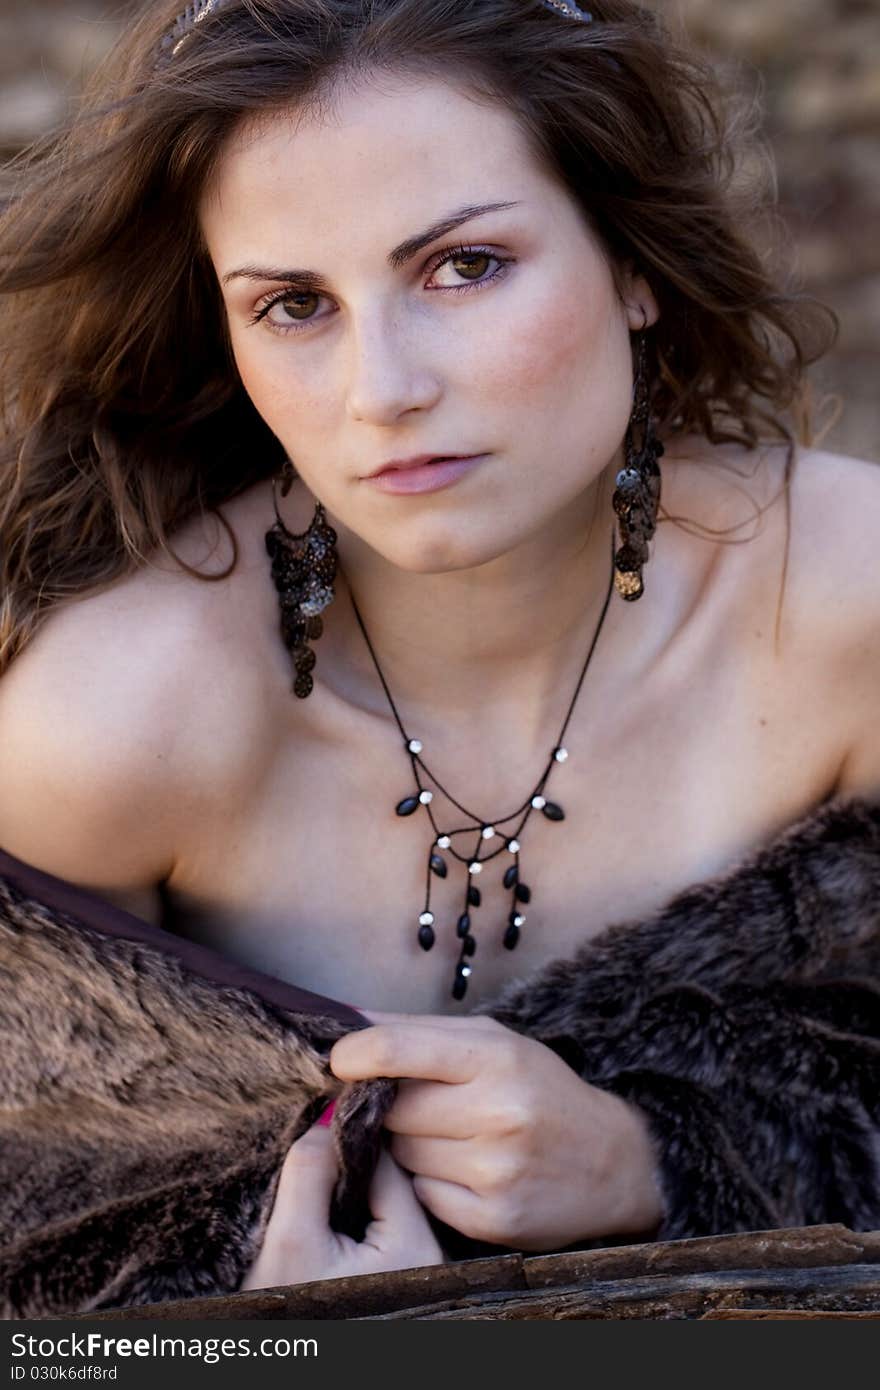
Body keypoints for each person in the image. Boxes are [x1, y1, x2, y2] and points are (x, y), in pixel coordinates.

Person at [0, 0, 878, 1311]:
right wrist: (271, 1333)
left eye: (464, 266)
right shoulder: (117, 718)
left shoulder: (849, 604)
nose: (382, 388)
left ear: (632, 262)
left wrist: (654, 1158)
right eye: (294, 302)